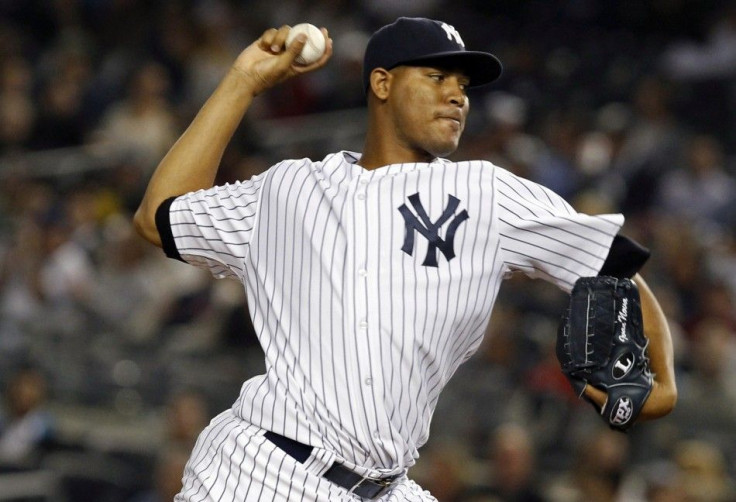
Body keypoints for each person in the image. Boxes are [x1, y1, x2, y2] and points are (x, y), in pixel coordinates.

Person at [133, 16, 677, 502]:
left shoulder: (487, 193)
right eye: (437, 78)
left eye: (462, 86)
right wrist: (243, 82)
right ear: (382, 83)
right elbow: (158, 215)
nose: (457, 96)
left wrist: (663, 381)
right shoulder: (289, 188)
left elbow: (613, 265)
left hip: (388, 485)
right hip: (261, 472)